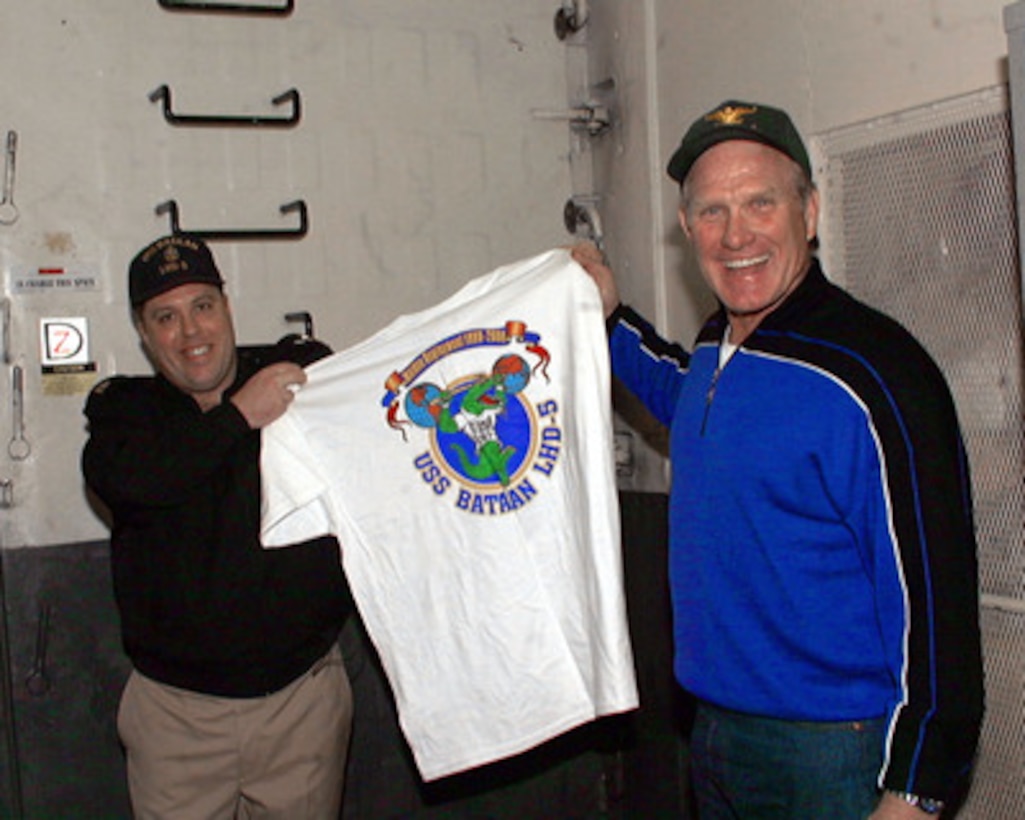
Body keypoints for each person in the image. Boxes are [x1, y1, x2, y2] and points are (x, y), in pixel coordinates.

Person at [572, 100, 984, 818]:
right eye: (711, 211)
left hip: (831, 754)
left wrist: (916, 789)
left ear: (809, 211)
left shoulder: (877, 373)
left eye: (760, 203)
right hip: (712, 733)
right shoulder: (720, 346)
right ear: (685, 228)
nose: (736, 235)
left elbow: (937, 596)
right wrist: (603, 316)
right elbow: (683, 394)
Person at [81, 234, 354, 819]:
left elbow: (381, 386)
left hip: (299, 706)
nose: (191, 333)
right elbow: (132, 481)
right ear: (144, 333)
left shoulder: (290, 376)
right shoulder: (127, 415)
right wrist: (238, 417)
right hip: (177, 722)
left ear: (227, 307)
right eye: (166, 317)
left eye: (203, 306)